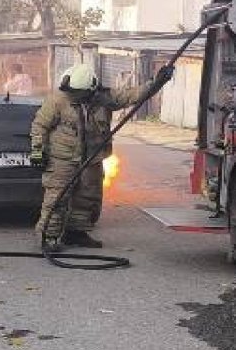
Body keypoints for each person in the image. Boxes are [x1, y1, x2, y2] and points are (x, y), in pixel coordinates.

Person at [29, 63, 173, 252]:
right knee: (56, 199)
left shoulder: (105, 98)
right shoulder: (58, 99)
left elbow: (133, 95)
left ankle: (76, 233)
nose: (73, 96)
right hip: (62, 159)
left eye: (77, 93)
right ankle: (48, 238)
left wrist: (157, 82)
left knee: (87, 198)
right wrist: (37, 151)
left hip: (92, 158)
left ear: (90, 89)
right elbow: (40, 126)